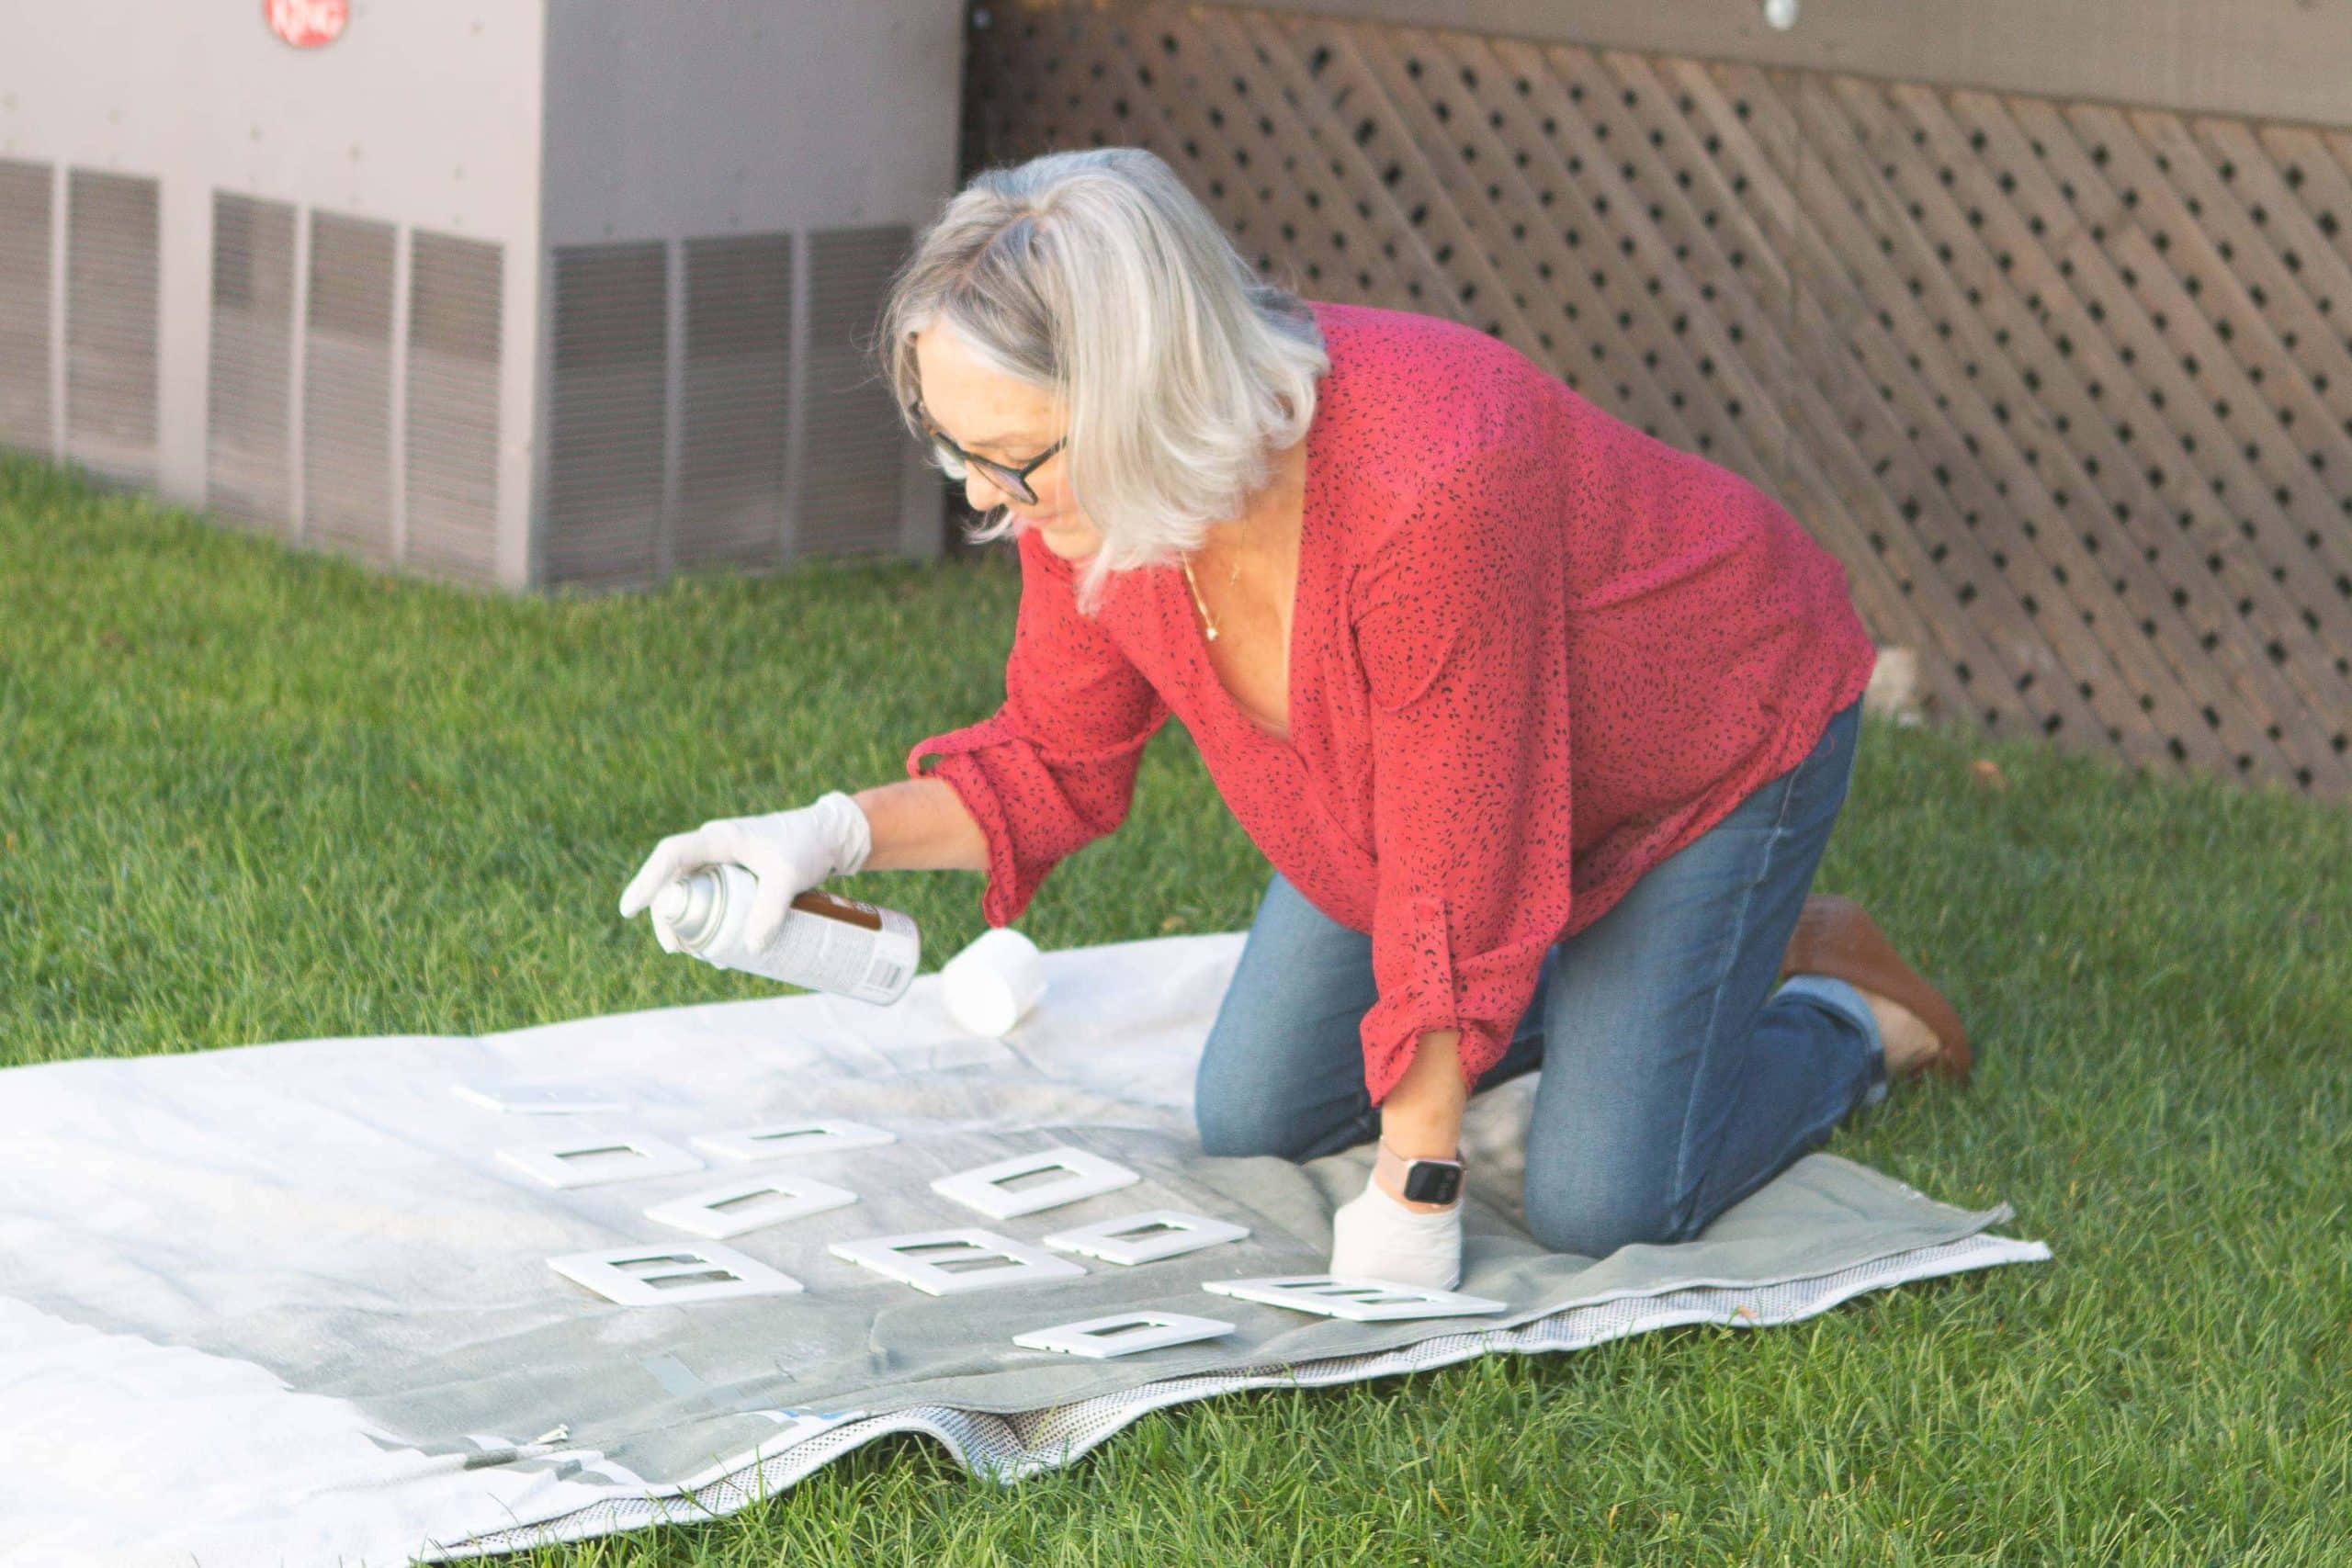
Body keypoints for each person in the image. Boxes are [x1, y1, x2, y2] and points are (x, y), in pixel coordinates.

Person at [617, 147, 1971, 1292]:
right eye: (958, 452)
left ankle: (1844, 1010)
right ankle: (1638, 973)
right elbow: (1047, 763)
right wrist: (822, 838)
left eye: (1009, 460)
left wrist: (1420, 1186)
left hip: (1707, 731)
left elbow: (1459, 857)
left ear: (1146, 397)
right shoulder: (1083, 497)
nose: (981, 499)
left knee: (1601, 1202)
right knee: (1258, 1116)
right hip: (1428, 805)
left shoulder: (1431, 485)